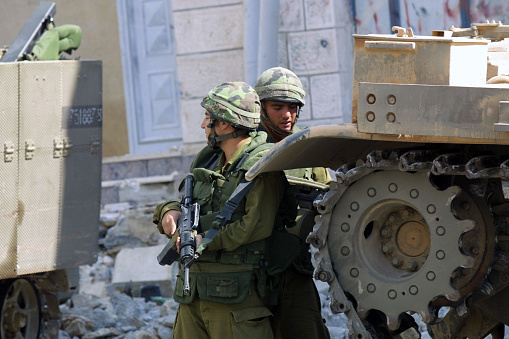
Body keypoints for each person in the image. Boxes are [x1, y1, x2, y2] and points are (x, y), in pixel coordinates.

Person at [153, 82, 291, 339]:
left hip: (235, 298)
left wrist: (203, 240)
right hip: (192, 293)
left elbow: (255, 225)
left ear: (225, 124)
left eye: (208, 118)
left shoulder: (261, 165)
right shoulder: (208, 158)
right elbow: (188, 200)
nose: (203, 125)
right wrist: (169, 211)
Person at [255, 66, 331, 339]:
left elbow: (330, 202)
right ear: (261, 107)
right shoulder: (243, 147)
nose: (287, 115)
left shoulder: (308, 147)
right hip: (249, 272)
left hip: (294, 269)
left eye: (293, 107)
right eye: (278, 107)